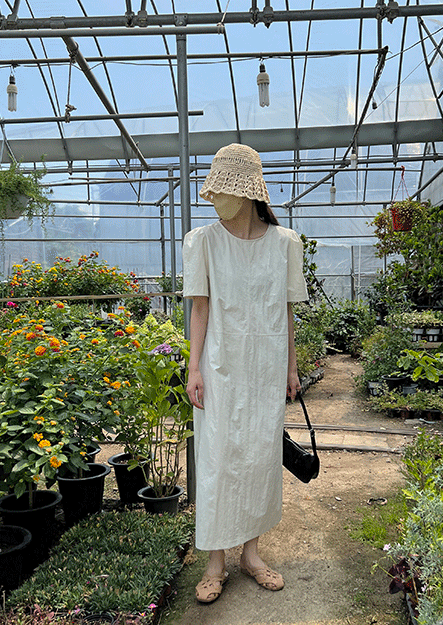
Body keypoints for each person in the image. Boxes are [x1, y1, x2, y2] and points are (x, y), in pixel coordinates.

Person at [182, 143, 308, 604]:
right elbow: (200, 308)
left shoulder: (286, 244)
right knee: (217, 459)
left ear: (248, 191)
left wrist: (291, 367)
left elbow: (286, 312)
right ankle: (215, 562)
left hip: (265, 370)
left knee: (258, 458)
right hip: (219, 368)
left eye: (224, 190)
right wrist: (194, 368)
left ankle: (251, 555)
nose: (215, 198)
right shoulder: (203, 241)